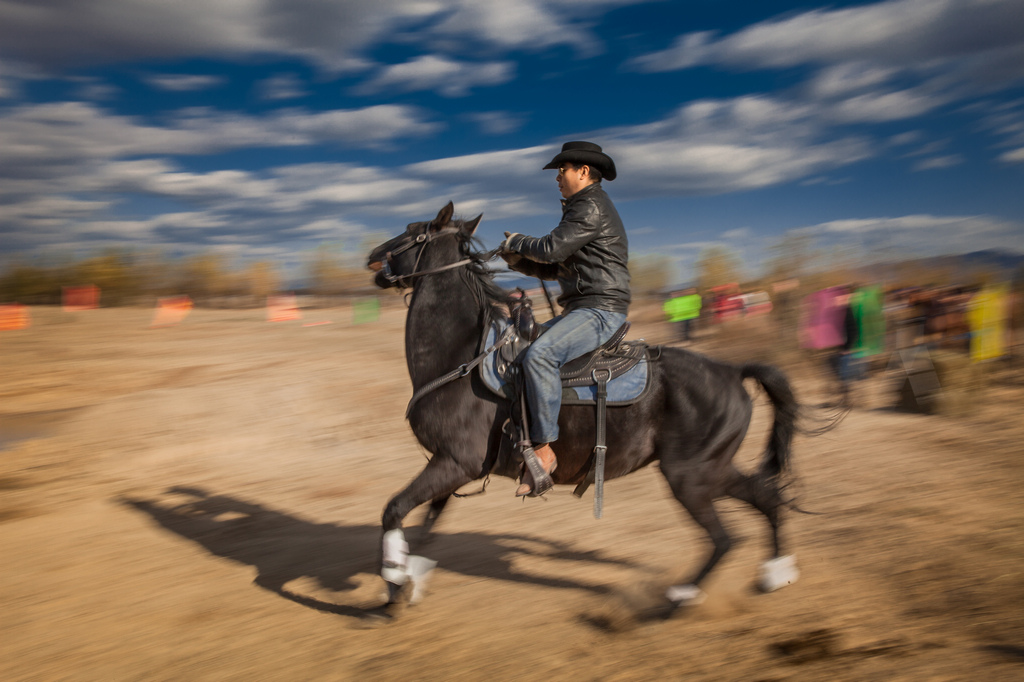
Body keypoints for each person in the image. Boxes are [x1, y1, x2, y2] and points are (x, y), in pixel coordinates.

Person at [500, 141, 630, 497]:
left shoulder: (590, 206)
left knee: (541, 355)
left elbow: (551, 248)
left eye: (562, 170)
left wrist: (518, 241)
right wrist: (515, 260)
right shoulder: (580, 208)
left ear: (583, 172)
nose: (558, 177)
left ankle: (543, 452)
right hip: (584, 308)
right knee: (518, 349)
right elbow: (556, 266)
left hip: (600, 310)